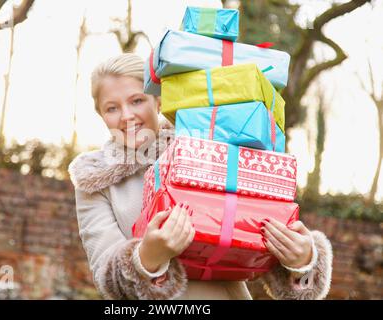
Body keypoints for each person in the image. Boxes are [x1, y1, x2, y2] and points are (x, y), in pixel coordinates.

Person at [68, 53, 333, 300]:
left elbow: (258, 236)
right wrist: (146, 258)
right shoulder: (94, 183)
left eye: (137, 100)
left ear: (158, 101)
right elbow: (106, 276)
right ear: (100, 114)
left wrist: (303, 262)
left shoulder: (208, 145)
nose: (126, 116)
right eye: (112, 108)